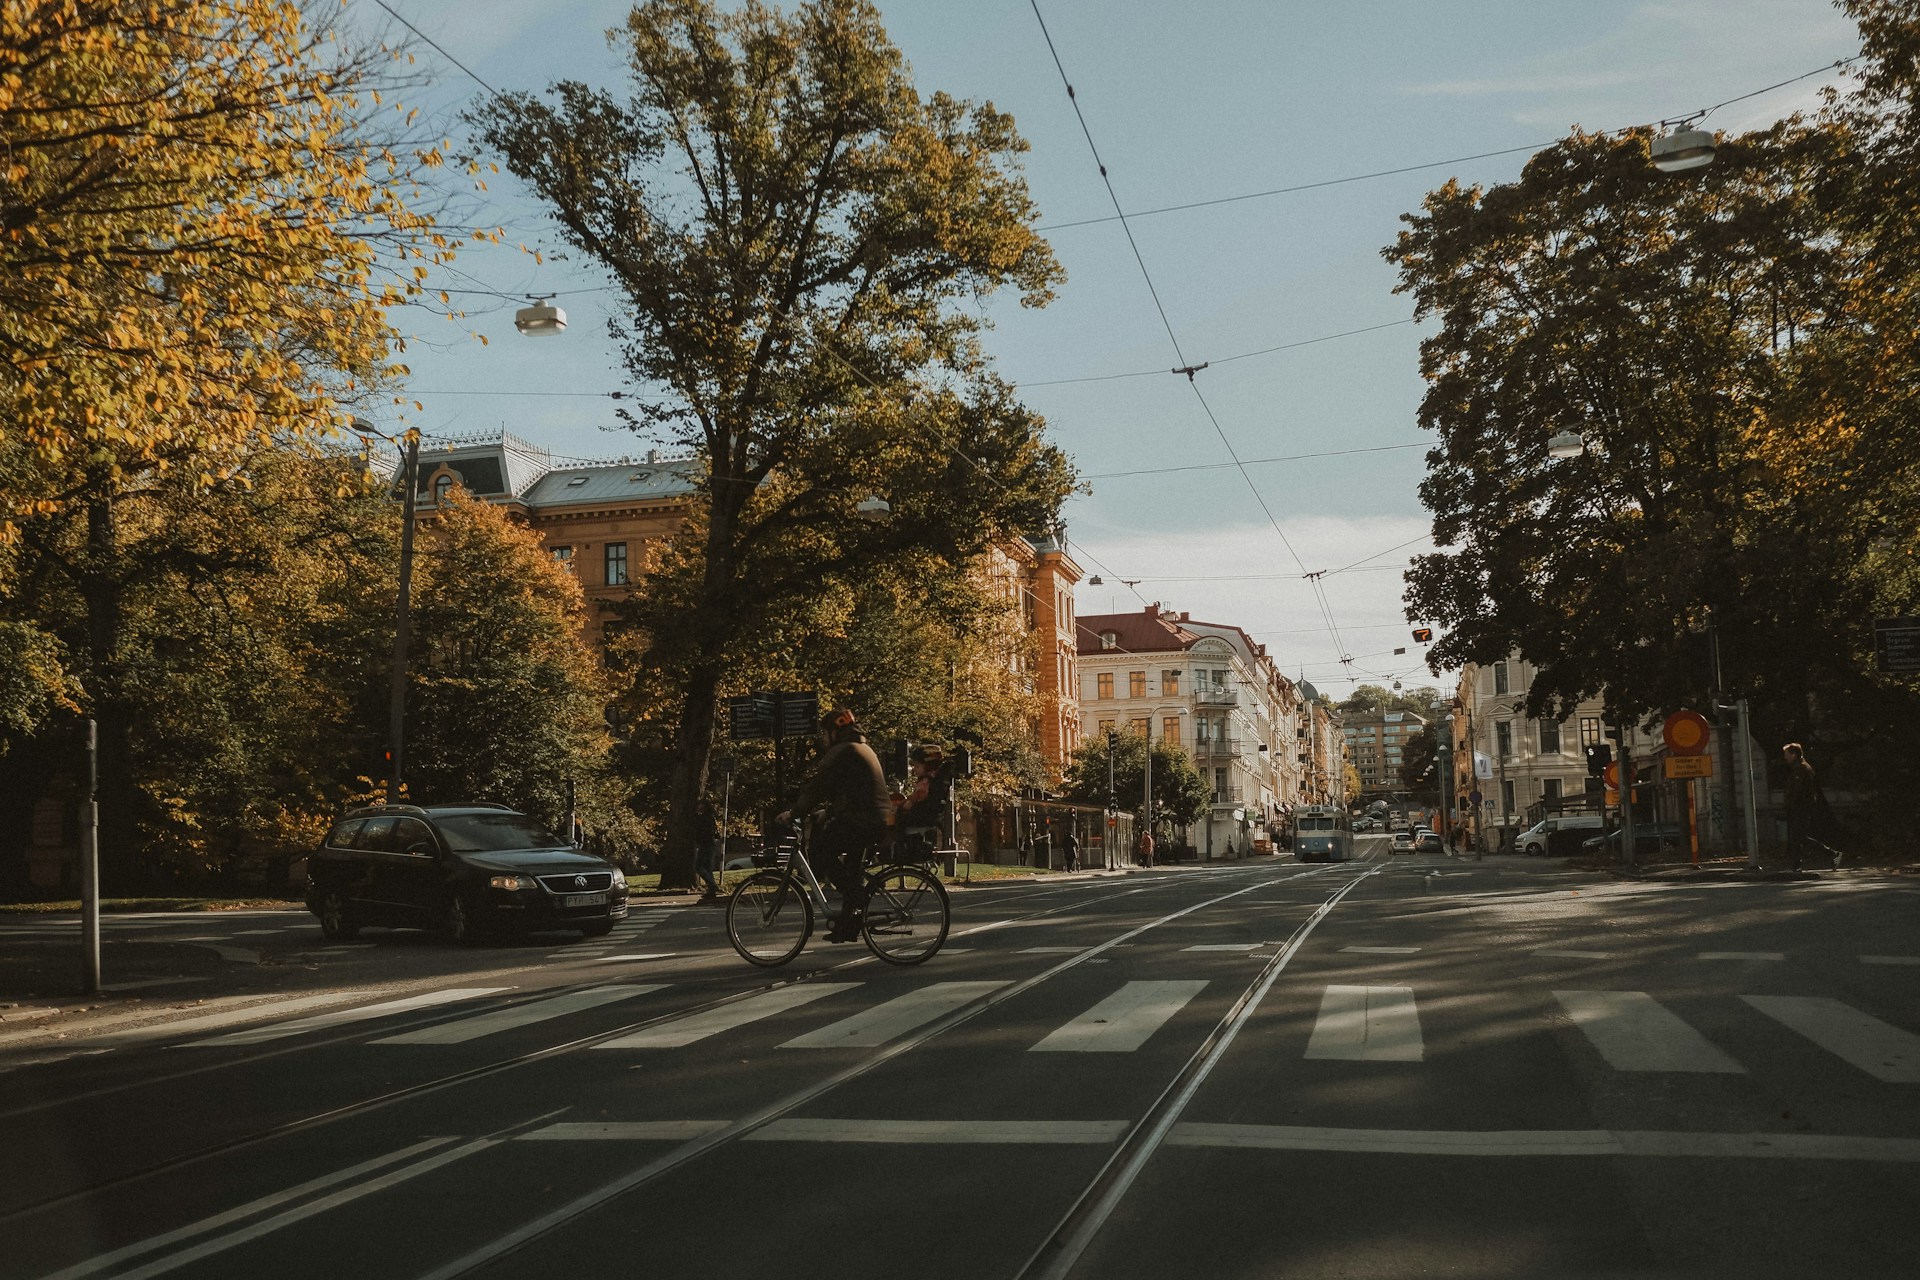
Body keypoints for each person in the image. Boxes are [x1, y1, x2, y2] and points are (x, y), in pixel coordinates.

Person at [776, 707, 891, 942]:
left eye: (825, 734)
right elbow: (854, 790)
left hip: (861, 820)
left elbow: (818, 787)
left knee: (820, 853)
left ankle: (856, 899)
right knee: (851, 871)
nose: (823, 739)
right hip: (874, 819)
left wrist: (794, 813)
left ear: (835, 732)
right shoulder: (862, 748)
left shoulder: (842, 751)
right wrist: (826, 812)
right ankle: (848, 926)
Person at [1781, 742, 1841, 871]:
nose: (1785, 757)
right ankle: (1798, 864)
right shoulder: (1800, 768)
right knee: (1798, 836)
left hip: (1801, 808)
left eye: (1787, 755)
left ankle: (1831, 853)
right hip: (1801, 807)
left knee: (1798, 836)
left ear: (1794, 755)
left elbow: (1797, 791)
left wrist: (1790, 804)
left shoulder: (1801, 769)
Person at [693, 796, 721, 902]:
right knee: (708, 868)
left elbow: (702, 832)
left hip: (706, 844)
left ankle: (712, 885)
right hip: (709, 844)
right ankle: (711, 892)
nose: (698, 806)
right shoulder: (709, 817)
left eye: (700, 804)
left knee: (698, 866)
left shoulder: (705, 818)